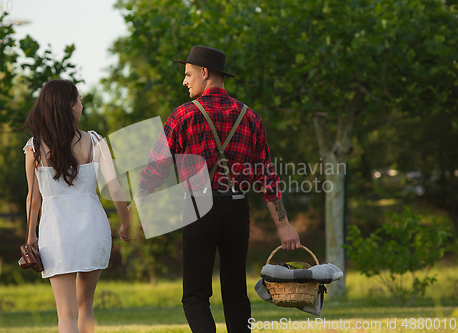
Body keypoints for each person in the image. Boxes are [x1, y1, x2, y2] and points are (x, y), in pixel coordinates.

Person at [135, 46, 301, 333]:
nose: (184, 81)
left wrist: (136, 209)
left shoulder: (183, 115)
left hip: (199, 209)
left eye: (188, 74)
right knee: (236, 293)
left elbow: (155, 169)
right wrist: (284, 226)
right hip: (237, 210)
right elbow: (266, 177)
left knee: (195, 296)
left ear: (204, 73)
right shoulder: (250, 117)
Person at [22, 79, 131, 333]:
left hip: (56, 234)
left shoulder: (34, 147)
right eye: (79, 99)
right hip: (93, 230)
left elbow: (33, 199)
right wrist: (126, 223)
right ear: (69, 106)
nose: (82, 104)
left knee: (66, 314)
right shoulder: (95, 141)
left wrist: (30, 237)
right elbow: (114, 188)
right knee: (86, 306)